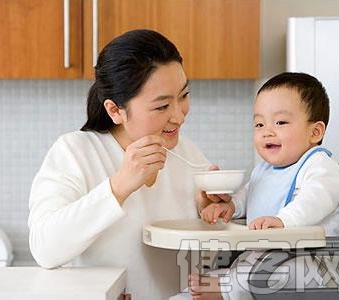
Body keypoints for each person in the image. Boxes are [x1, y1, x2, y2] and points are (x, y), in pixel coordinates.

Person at [28, 29, 225, 300]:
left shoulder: (187, 153)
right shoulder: (76, 151)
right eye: (161, 106)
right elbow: (45, 248)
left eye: (184, 95)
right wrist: (119, 186)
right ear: (114, 110)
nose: (178, 116)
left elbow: (208, 259)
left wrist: (214, 216)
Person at [176, 72, 339, 300]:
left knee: (263, 273)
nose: (267, 131)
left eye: (281, 122)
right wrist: (229, 208)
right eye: (259, 123)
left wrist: (283, 221)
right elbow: (247, 197)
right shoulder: (263, 170)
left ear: (315, 132)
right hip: (267, 258)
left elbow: (315, 200)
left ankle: (227, 290)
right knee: (227, 273)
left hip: (312, 266)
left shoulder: (321, 168)